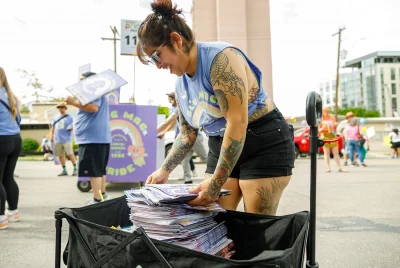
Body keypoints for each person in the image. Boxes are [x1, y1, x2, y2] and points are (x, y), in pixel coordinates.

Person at [139, 0, 294, 215]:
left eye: (157, 55)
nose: (158, 65)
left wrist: (214, 184)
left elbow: (237, 122)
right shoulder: (180, 84)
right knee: (214, 221)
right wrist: (163, 171)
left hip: (261, 139)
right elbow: (186, 135)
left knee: (255, 225)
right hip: (221, 142)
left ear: (176, 40)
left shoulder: (220, 59)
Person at [65, 71, 111, 205]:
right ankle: (102, 194)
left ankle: (97, 199)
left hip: (93, 138)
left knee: (94, 169)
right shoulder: (96, 92)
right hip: (97, 138)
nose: (80, 83)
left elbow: (93, 108)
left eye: (82, 80)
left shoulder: (93, 92)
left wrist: (73, 102)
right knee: (99, 168)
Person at [157, 92, 207, 183]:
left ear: (176, 99)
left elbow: (167, 121)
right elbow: (172, 122)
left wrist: (153, 132)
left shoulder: (182, 106)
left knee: (205, 157)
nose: (169, 101)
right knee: (185, 159)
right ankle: (188, 179)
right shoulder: (175, 109)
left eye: (171, 99)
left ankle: (217, 174)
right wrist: (163, 132)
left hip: (194, 138)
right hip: (185, 138)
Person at [0, 67, 22, 229]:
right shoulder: (11, 96)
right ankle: (13, 212)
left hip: (2, 140)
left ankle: (1, 218)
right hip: (15, 140)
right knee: (8, 177)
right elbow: (18, 120)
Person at [50, 102, 77, 176]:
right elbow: (53, 127)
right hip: (58, 139)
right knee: (61, 155)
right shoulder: (56, 117)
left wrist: (71, 128)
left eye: (62, 107)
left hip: (66, 139)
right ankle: (64, 170)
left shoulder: (69, 117)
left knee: (70, 154)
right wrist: (51, 136)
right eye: (59, 107)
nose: (61, 109)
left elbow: (73, 126)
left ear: (65, 108)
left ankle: (75, 168)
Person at [318, 107, 347, 172]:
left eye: (328, 111)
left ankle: (340, 167)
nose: (327, 112)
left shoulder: (332, 117)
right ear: (322, 111)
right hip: (325, 136)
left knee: (336, 153)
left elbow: (335, 127)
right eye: (325, 111)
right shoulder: (320, 119)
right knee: (326, 153)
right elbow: (318, 130)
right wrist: (323, 127)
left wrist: (336, 125)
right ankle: (328, 167)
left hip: (332, 135)